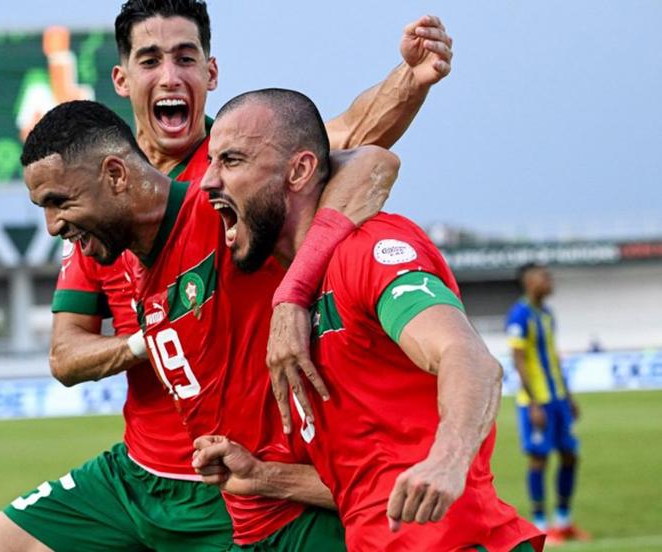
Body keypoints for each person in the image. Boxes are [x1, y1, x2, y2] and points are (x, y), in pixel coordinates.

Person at [0, 1, 454, 551]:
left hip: (235, 481)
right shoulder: (96, 208)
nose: (169, 75)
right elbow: (64, 353)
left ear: (210, 73)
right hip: (136, 472)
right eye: (151, 60)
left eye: (185, 58)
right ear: (123, 79)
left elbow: (355, 144)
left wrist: (410, 77)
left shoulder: (240, 175)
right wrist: (148, 343)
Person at [20, 100, 399, 548]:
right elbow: (64, 358)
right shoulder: (132, 260)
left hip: (301, 519)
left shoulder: (213, 207)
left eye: (58, 201)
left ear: (117, 176)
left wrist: (291, 296)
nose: (50, 226)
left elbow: (373, 161)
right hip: (247, 506)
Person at [194, 88, 545, 551]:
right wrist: (264, 477)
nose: (208, 181)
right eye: (211, 161)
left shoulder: (371, 250)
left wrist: (448, 460)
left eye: (232, 161)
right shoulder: (288, 293)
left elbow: (469, 358)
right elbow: (368, 487)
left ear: (298, 172)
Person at [506, 263, 589, 543]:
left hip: (558, 400)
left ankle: (563, 521)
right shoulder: (519, 315)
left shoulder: (547, 314)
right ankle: (541, 526)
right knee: (539, 459)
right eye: (544, 276)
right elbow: (518, 360)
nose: (549, 280)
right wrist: (532, 403)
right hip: (537, 401)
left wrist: (568, 396)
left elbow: (552, 357)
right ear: (529, 282)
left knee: (570, 455)